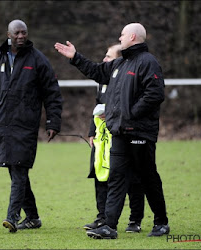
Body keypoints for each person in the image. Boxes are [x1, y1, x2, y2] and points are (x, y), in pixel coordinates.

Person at [55, 23, 169, 239]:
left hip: (139, 133)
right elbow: (96, 71)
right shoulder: (119, 64)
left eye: (123, 34)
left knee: (147, 177)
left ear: (133, 37)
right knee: (116, 178)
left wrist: (129, 114)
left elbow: (155, 94)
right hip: (119, 132)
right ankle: (109, 226)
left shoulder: (148, 62)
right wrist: (75, 57)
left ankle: (161, 222)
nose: (120, 36)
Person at [0, 19, 62, 233]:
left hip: (25, 126)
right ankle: (33, 218)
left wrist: (53, 121)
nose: (21, 36)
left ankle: (12, 217)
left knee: (19, 170)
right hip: (1, 124)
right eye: (17, 33)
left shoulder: (38, 60)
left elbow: (52, 92)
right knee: (16, 170)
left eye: (24, 32)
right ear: (8, 34)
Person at [84, 44, 145, 234]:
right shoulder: (103, 79)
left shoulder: (127, 79)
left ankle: (135, 219)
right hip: (102, 136)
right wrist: (92, 131)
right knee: (100, 173)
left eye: (108, 57)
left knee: (132, 178)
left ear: (119, 60)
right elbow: (97, 105)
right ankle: (102, 217)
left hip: (122, 134)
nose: (104, 59)